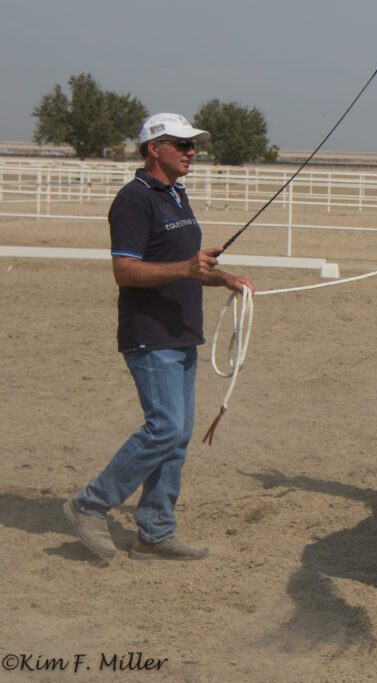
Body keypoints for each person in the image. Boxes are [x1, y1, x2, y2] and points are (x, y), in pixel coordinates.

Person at [63, 113, 254, 561]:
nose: (191, 152)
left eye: (193, 145)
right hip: (149, 334)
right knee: (165, 426)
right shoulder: (134, 200)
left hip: (182, 331)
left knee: (178, 434)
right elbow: (124, 270)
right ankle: (89, 504)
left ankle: (154, 532)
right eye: (181, 145)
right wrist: (189, 268)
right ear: (154, 148)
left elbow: (181, 264)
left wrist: (222, 278)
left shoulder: (175, 196)